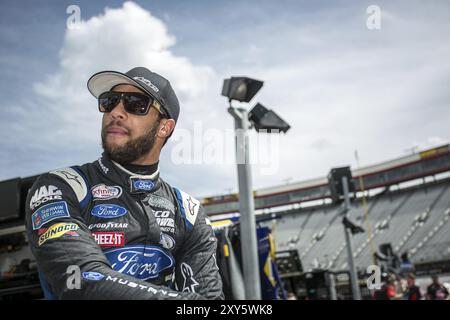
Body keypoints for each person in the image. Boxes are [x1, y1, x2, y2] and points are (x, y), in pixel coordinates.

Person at [25, 67, 223, 300]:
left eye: (134, 103)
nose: (116, 112)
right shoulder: (59, 187)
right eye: (109, 102)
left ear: (164, 127)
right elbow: (81, 281)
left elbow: (208, 298)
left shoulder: (188, 212)